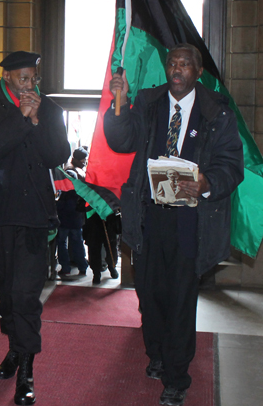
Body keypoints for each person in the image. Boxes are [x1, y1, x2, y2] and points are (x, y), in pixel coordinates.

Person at [104, 43, 243, 406]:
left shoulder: (216, 112)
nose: (177, 69)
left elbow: (232, 166)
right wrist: (117, 103)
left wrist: (207, 182)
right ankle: (158, 354)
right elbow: (120, 139)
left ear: (198, 73)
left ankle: (177, 378)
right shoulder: (149, 104)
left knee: (181, 299)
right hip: (149, 218)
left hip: (190, 222)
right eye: (172, 63)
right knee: (149, 295)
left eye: (185, 64)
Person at [0, 51, 70, 405]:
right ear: (8, 77)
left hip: (34, 216)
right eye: (24, 79)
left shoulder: (50, 110)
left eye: (34, 78)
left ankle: (26, 369)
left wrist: (38, 120)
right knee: (8, 293)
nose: (31, 85)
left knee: (27, 296)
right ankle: (14, 348)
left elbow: (57, 154)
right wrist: (20, 119)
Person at [56, 147, 89, 278]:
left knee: (62, 242)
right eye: (83, 160)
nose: (84, 162)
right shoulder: (78, 173)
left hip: (64, 214)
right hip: (75, 214)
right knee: (77, 241)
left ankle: (66, 267)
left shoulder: (67, 172)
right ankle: (82, 266)